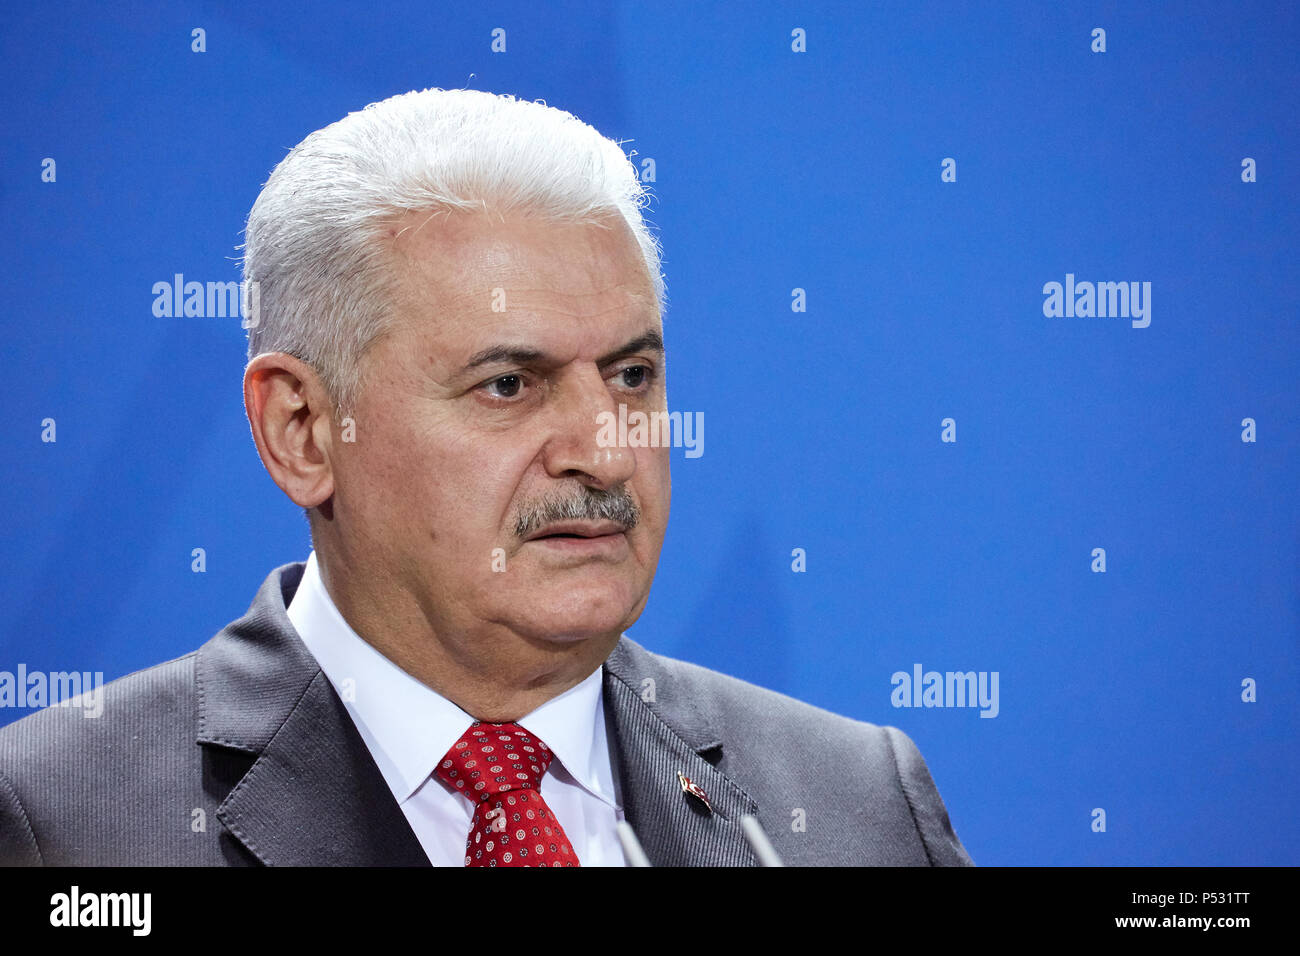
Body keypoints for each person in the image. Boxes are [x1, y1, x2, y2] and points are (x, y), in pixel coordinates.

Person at [0, 88, 972, 867]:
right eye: (509, 383)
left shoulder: (857, 802)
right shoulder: (61, 820)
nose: (605, 447)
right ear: (301, 430)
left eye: (631, 375)